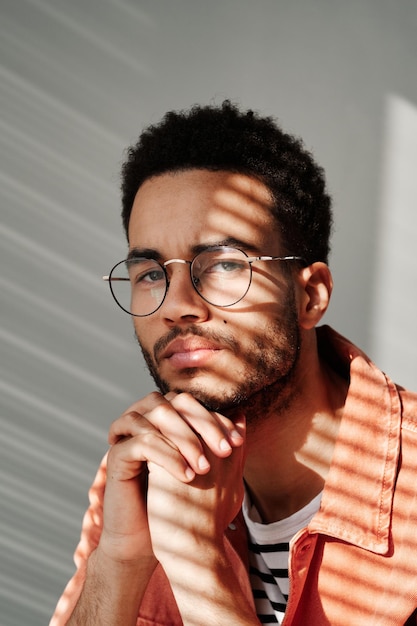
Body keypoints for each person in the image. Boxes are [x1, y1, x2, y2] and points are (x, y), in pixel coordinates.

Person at [50, 101, 417, 626]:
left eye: (223, 263)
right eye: (151, 272)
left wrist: (197, 562)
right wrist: (121, 561)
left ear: (310, 295)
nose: (177, 305)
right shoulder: (141, 470)